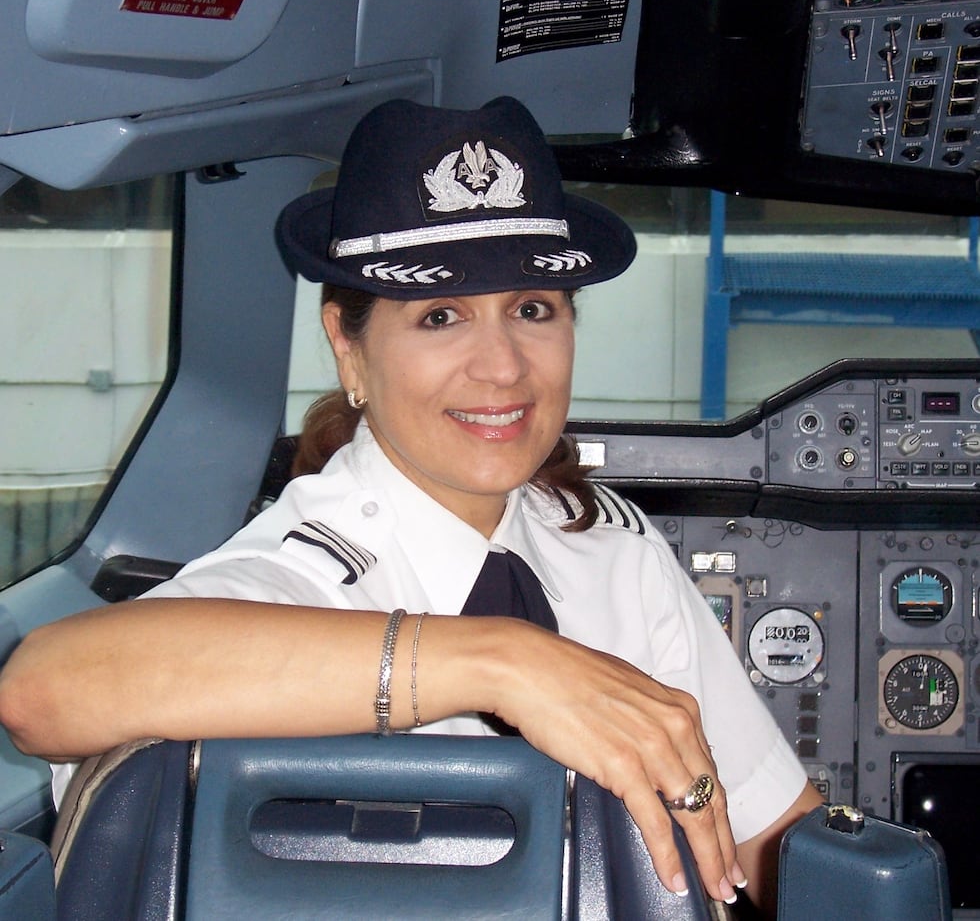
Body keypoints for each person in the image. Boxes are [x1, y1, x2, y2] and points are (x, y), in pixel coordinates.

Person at [0, 96, 821, 916]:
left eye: (532, 309)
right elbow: (42, 691)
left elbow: (770, 831)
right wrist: (503, 662)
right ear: (347, 348)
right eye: (441, 317)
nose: (502, 368)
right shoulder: (304, 577)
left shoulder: (614, 552)